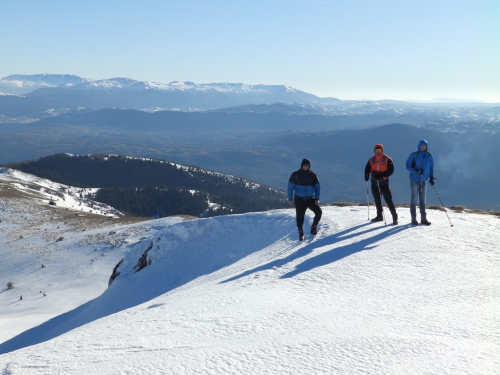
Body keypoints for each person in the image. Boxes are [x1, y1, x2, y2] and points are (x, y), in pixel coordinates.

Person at [287, 158, 322, 240]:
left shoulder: (313, 175)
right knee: (300, 217)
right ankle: (300, 232)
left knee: (319, 212)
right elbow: (290, 187)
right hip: (299, 199)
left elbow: (317, 187)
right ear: (301, 165)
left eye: (307, 165)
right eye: (304, 165)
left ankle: (314, 227)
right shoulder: (295, 175)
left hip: (310, 199)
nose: (305, 167)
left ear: (309, 166)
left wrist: (317, 198)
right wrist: (290, 198)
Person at [364, 144, 398, 225]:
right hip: (374, 182)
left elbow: (391, 170)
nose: (378, 152)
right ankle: (379, 216)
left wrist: (383, 175)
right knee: (377, 199)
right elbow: (367, 168)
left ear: (382, 150)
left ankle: (394, 216)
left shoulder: (387, 159)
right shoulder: (371, 160)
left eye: (379, 150)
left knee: (388, 199)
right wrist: (366, 175)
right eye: (376, 150)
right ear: (374, 151)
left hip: (383, 182)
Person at [405, 140, 435, 225]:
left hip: (424, 180)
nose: (423, 148)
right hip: (415, 179)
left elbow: (431, 167)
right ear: (419, 146)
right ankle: (413, 218)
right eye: (422, 146)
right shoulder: (414, 155)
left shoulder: (429, 155)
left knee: (422, 200)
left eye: (424, 146)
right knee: (414, 199)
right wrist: (416, 172)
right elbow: (407, 165)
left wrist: (432, 177)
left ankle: (423, 218)